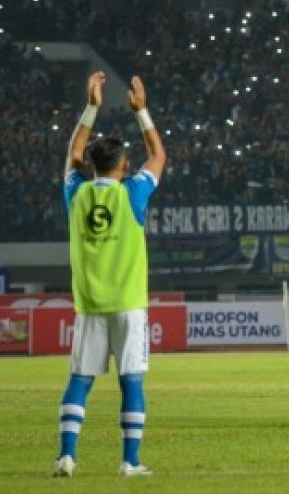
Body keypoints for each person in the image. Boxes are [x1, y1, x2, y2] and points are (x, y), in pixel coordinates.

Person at [53, 71, 166, 478]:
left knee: (80, 379)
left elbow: (72, 152)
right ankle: (130, 461)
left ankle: (66, 456)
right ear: (123, 165)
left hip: (90, 305)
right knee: (131, 382)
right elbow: (159, 156)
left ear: (90, 164)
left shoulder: (76, 193)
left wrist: (92, 106)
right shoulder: (132, 192)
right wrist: (142, 111)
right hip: (129, 306)